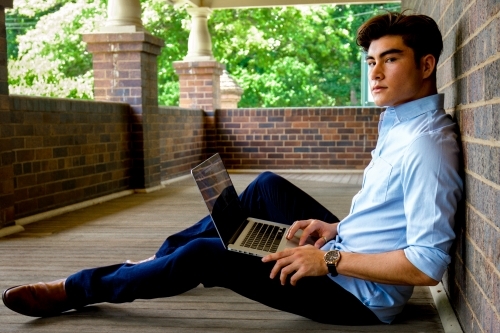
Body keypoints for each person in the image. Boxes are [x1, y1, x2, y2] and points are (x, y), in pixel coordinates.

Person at [2, 11, 463, 325]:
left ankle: (75, 289)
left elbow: (426, 265)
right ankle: (157, 261)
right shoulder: (401, 123)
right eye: (370, 61)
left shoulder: (425, 147)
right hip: (342, 250)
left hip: (359, 297)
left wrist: (328, 259)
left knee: (204, 255)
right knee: (264, 187)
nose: (375, 73)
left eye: (390, 59)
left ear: (426, 65)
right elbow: (391, 215)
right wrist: (334, 227)